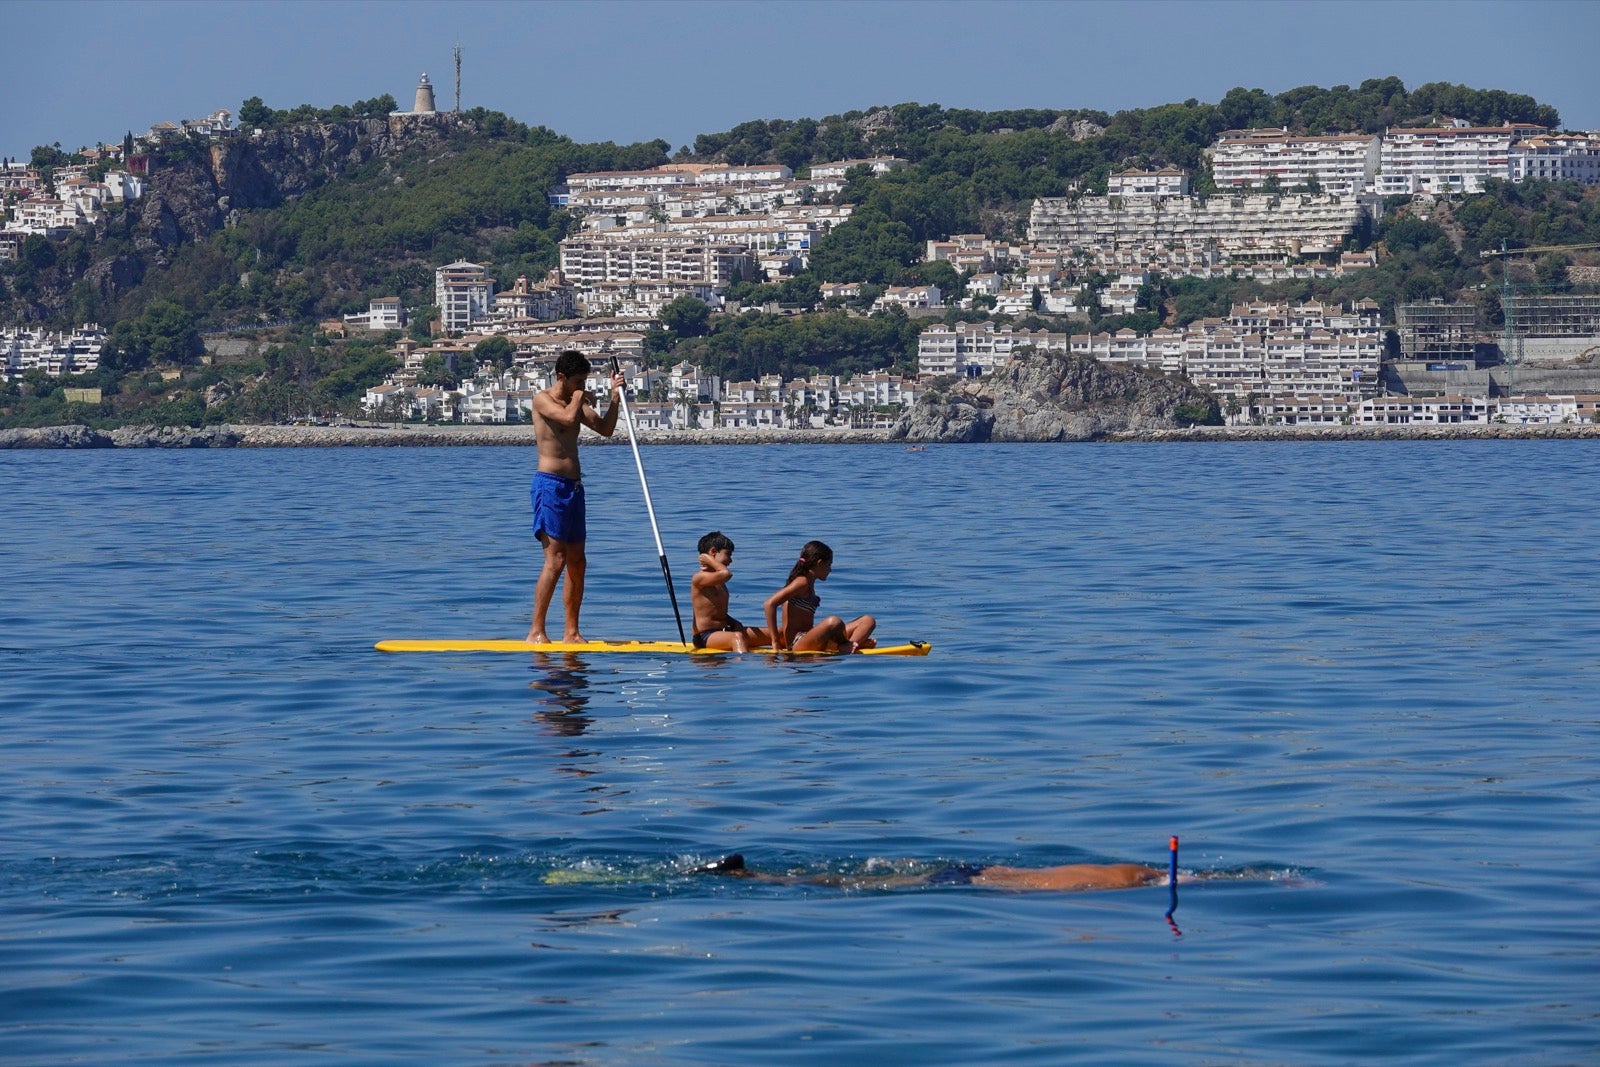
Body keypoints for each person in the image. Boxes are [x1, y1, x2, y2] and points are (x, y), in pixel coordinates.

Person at [526, 349, 626, 643]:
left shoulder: (575, 400)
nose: (582, 386)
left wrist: (614, 398)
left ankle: (571, 632)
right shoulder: (543, 400)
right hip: (550, 487)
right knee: (554, 561)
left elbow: (605, 430)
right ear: (561, 377)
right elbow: (568, 420)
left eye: (585, 381)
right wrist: (581, 398)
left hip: (574, 489)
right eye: (578, 381)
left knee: (578, 561)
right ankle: (536, 631)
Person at [686, 853, 1167, 892]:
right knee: (853, 886)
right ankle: (750, 879)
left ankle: (754, 878)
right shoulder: (1122, 882)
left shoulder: (1126, 872)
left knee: (858, 883)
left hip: (974, 871)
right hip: (968, 881)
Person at [763, 540, 876, 653]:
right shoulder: (802, 582)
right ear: (819, 563)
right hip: (797, 643)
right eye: (829, 565)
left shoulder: (809, 583)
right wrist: (775, 642)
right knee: (834, 622)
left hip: (810, 636)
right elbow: (769, 604)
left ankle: (849, 646)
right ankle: (847, 645)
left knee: (868, 620)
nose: (830, 570)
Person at [689, 531, 769, 653]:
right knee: (737, 638)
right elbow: (726, 573)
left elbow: (715, 611)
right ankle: (743, 665)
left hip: (726, 630)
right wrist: (710, 561)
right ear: (713, 552)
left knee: (778, 633)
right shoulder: (699, 578)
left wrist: (733, 622)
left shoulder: (719, 580)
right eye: (728, 554)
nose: (730, 560)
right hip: (705, 636)